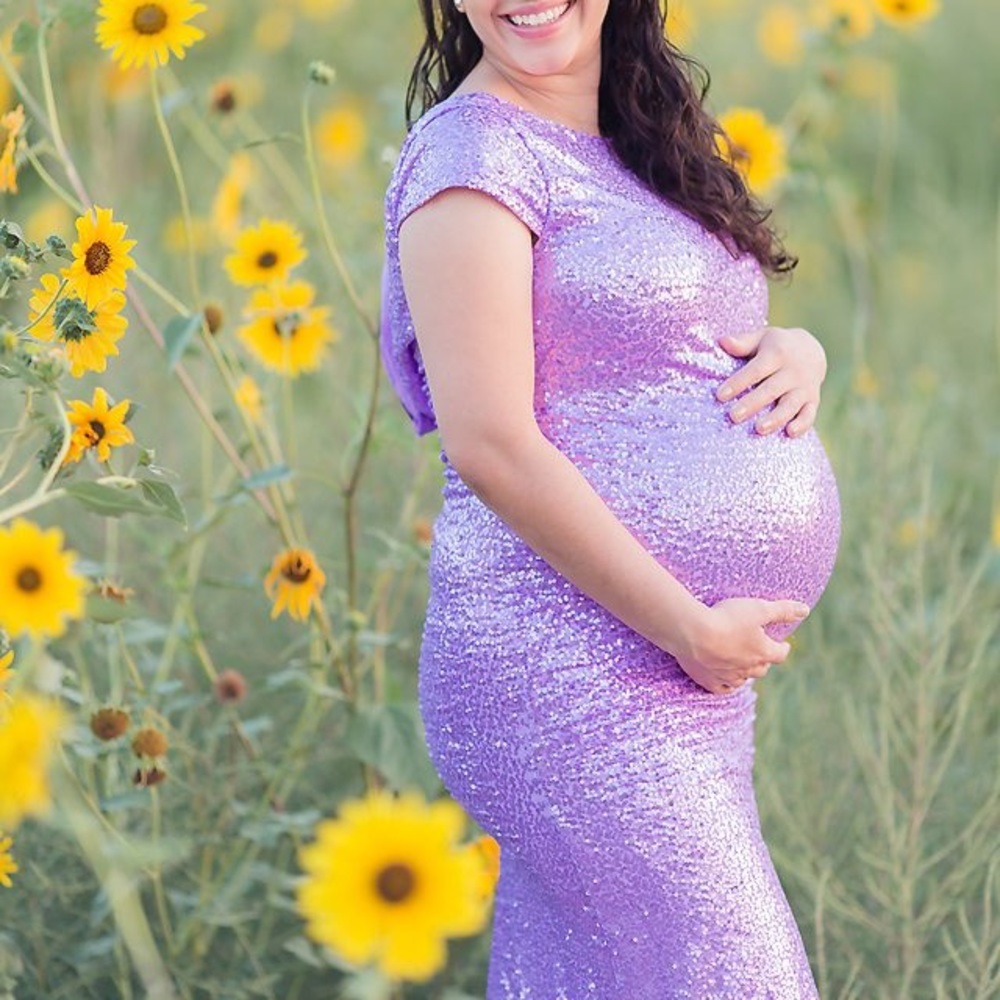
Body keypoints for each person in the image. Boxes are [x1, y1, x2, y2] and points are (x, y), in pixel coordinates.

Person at [379, 1, 840, 996]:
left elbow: (678, 342)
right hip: (564, 669)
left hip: (675, 674)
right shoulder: (471, 160)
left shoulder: (628, 127)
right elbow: (491, 443)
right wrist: (685, 625)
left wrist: (798, 353)